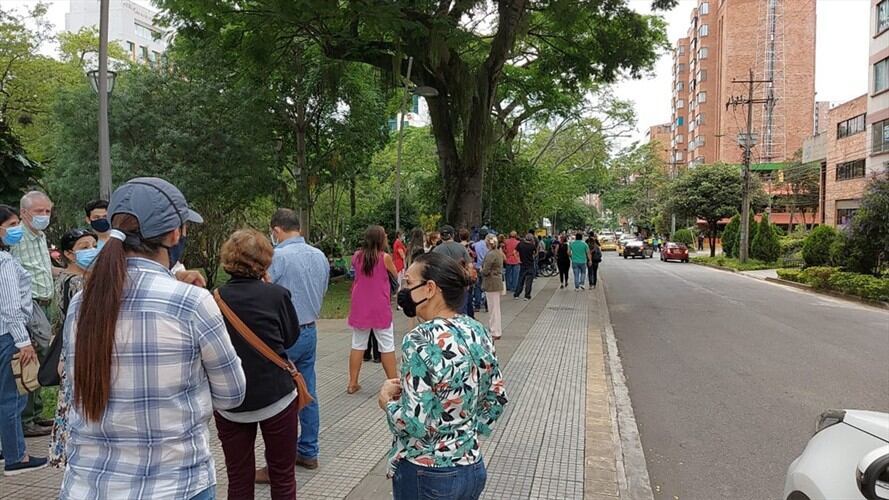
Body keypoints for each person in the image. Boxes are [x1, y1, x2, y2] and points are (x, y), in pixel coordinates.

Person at [60, 177, 247, 499]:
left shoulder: (82, 302)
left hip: (87, 486)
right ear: (175, 234)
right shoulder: (191, 302)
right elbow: (232, 395)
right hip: (176, 484)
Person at [384, 252, 507, 499]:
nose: (404, 291)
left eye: (408, 283)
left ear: (430, 288)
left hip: (427, 473)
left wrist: (387, 402)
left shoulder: (419, 339)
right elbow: (497, 397)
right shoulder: (477, 330)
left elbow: (416, 423)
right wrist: (464, 435)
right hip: (471, 467)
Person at [214, 229, 301, 498]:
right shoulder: (277, 295)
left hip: (231, 400)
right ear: (264, 261)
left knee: (238, 478)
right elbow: (289, 338)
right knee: (283, 475)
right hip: (277, 396)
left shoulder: (214, 297)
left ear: (228, 260)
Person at [268, 208, 329, 471]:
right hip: (310, 329)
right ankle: (309, 450)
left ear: (276, 230)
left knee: (280, 396)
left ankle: (281, 457)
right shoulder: (319, 256)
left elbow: (266, 291)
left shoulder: (277, 256)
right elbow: (324, 288)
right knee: (308, 391)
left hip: (283, 334)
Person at [0, 204, 47, 475]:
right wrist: (23, 341)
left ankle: (6, 448)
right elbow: (9, 306)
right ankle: (17, 456)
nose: (17, 229)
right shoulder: (4, 262)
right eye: (13, 223)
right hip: (7, 335)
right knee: (11, 397)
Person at [48, 228, 99, 468]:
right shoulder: (78, 283)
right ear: (69, 253)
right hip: (80, 352)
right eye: (84, 247)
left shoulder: (61, 279)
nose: (91, 251)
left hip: (67, 352)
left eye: (93, 245)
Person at [11, 191, 55, 437]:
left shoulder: (40, 236)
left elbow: (43, 268)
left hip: (45, 302)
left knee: (40, 355)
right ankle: (25, 419)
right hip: (29, 305)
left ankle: (35, 413)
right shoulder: (17, 237)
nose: (44, 216)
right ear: (24, 213)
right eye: (39, 211)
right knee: (29, 359)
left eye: (47, 211)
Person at [347, 225, 398, 394]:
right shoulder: (385, 258)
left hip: (360, 306)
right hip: (379, 307)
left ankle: (352, 383)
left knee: (358, 344)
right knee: (386, 345)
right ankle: (394, 382)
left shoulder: (357, 256)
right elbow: (395, 277)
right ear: (380, 239)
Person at [432, 225, 474, 316]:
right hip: (460, 282)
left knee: (445, 310)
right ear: (453, 235)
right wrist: (469, 280)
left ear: (441, 236)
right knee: (462, 310)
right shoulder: (461, 248)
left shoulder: (436, 250)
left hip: (443, 284)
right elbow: (470, 265)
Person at [480, 234, 504, 340]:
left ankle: (495, 331)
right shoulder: (498, 253)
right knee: (495, 308)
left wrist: (481, 270)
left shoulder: (490, 255)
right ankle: (495, 329)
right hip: (497, 281)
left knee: (493, 308)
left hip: (491, 282)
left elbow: (485, 270)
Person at [513, 232, 537, 300]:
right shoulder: (532, 246)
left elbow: (514, 252)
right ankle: (527, 296)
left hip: (522, 264)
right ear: (531, 239)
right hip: (530, 265)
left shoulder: (520, 244)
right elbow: (535, 253)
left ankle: (516, 294)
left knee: (520, 280)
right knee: (529, 281)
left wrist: (517, 259)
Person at [472, 227, 489, 312]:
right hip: (487, 268)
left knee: (477, 287)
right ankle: (487, 305)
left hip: (478, 267)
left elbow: (473, 257)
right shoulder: (489, 246)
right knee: (487, 287)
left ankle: (477, 305)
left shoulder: (475, 245)